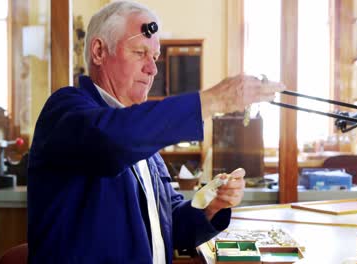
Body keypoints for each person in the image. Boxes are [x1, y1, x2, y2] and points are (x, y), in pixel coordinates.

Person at [27, 1, 284, 263]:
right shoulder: (64, 110)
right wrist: (214, 101)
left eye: (155, 57)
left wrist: (211, 206)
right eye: (140, 52)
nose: (152, 69)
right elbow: (112, 140)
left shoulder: (144, 144)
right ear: (99, 51)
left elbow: (168, 226)